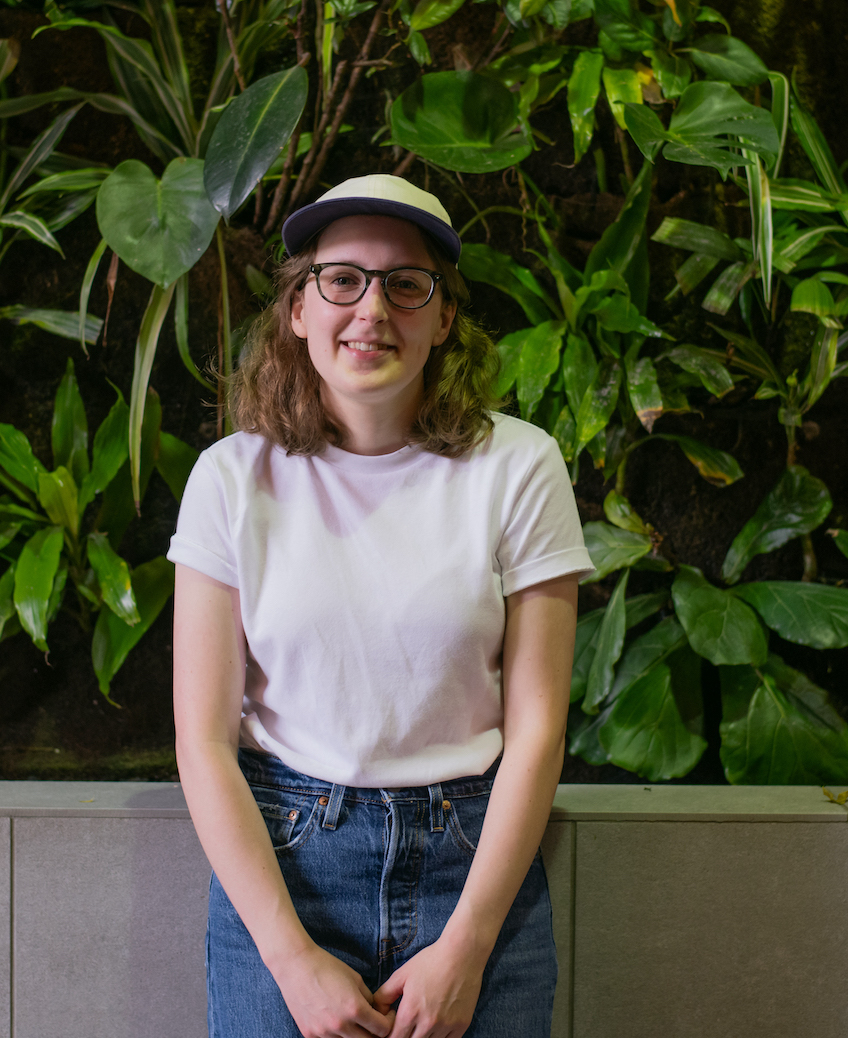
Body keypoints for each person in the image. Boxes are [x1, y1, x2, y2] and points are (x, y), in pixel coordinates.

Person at [168, 174, 591, 1038]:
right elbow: (203, 740)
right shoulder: (230, 479)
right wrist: (290, 960)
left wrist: (467, 946)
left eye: (406, 284)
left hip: (474, 870)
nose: (372, 310)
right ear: (297, 309)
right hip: (285, 870)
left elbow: (539, 727)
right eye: (342, 280)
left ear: (442, 320)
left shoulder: (519, 467)